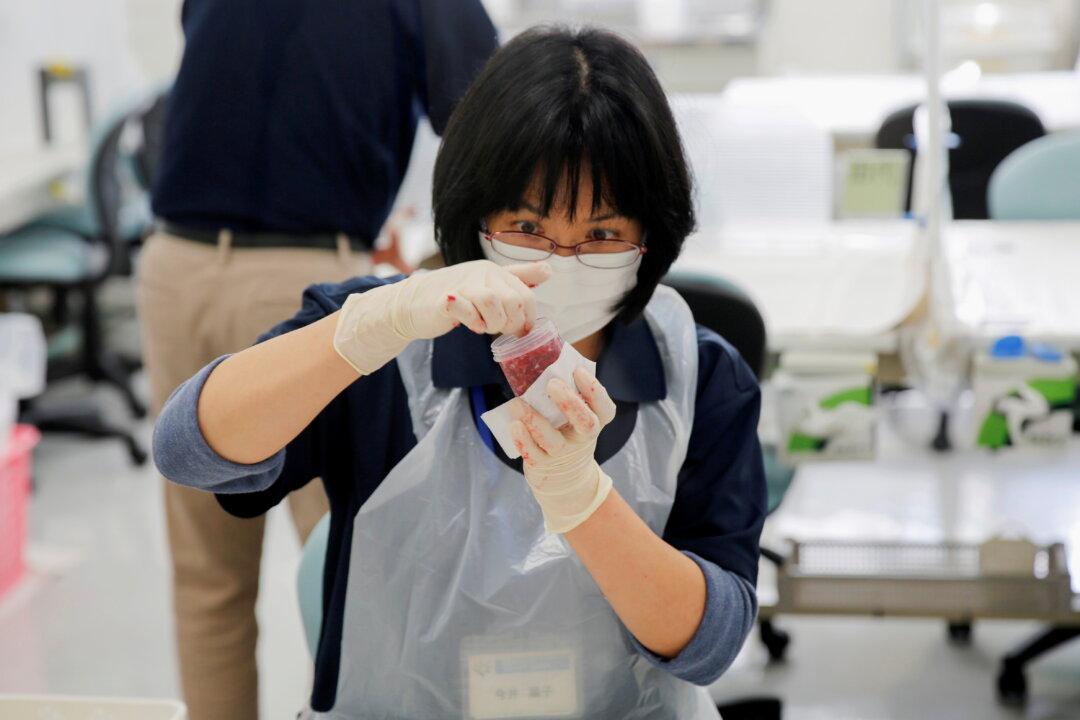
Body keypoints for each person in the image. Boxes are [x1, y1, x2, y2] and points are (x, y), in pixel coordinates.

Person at [154, 26, 765, 719]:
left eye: (601, 234)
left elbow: (710, 647)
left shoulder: (701, 377)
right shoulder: (391, 352)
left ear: (651, 237)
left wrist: (581, 501)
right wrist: (361, 333)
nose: (560, 262)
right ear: (476, 218)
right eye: (528, 229)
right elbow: (186, 450)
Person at [136, 2, 497, 718]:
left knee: (209, 579)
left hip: (174, 264)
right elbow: (496, 118)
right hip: (305, 282)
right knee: (362, 579)